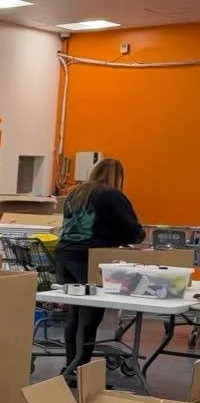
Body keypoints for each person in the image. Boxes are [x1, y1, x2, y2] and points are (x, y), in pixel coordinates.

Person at [55, 158, 143, 380]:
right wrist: (135, 237)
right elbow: (130, 228)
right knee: (90, 316)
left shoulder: (76, 192)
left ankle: (70, 364)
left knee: (74, 312)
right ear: (118, 177)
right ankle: (80, 368)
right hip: (90, 257)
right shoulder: (111, 195)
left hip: (65, 255)